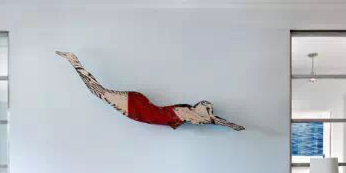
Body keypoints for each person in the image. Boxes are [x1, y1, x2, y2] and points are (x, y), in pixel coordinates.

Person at [56, 51, 245, 131]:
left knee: (99, 93)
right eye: (206, 109)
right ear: (199, 110)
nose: (206, 115)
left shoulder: (188, 113)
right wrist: (228, 124)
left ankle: (75, 62)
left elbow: (211, 119)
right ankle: (74, 61)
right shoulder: (187, 113)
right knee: (99, 92)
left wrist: (230, 124)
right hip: (136, 107)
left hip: (139, 107)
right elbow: (212, 120)